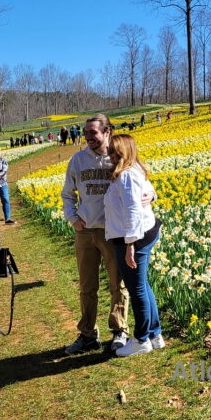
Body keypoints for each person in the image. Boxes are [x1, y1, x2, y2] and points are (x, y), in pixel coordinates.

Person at [61, 113, 131, 354]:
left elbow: (140, 179)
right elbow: (67, 194)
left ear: (107, 132)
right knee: (87, 286)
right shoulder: (78, 160)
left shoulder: (117, 157)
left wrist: (149, 196)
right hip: (85, 231)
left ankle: (120, 330)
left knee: (117, 284)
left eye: (93, 132)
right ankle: (88, 334)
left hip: (112, 232)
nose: (88, 136)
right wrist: (73, 218)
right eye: (86, 132)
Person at [104, 134, 165, 357]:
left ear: (124, 152)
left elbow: (132, 211)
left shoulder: (126, 175)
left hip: (133, 237)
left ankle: (141, 339)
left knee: (137, 289)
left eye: (113, 151)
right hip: (142, 233)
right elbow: (148, 192)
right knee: (143, 286)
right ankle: (155, 335)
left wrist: (130, 244)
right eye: (109, 150)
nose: (109, 155)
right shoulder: (133, 169)